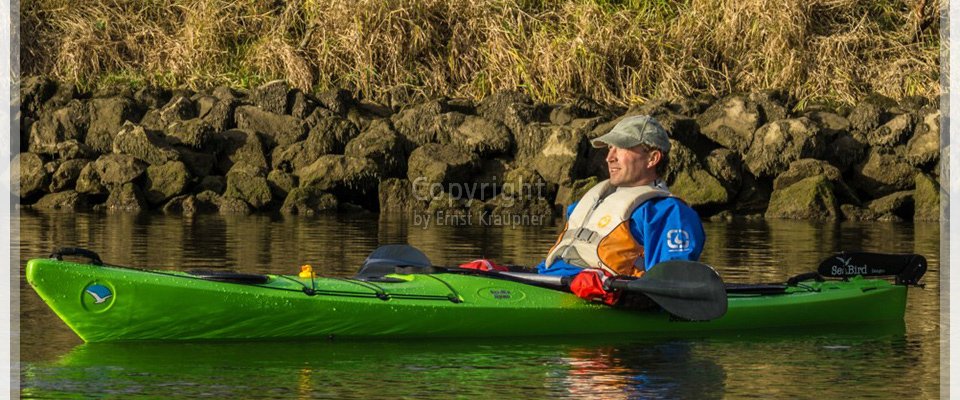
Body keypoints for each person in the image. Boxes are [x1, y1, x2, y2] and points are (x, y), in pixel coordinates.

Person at [535, 115, 705, 282]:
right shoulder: (589, 202)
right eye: (610, 148)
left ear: (652, 158)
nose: (609, 158)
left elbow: (672, 282)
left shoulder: (669, 213)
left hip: (601, 295)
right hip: (549, 279)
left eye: (622, 147)